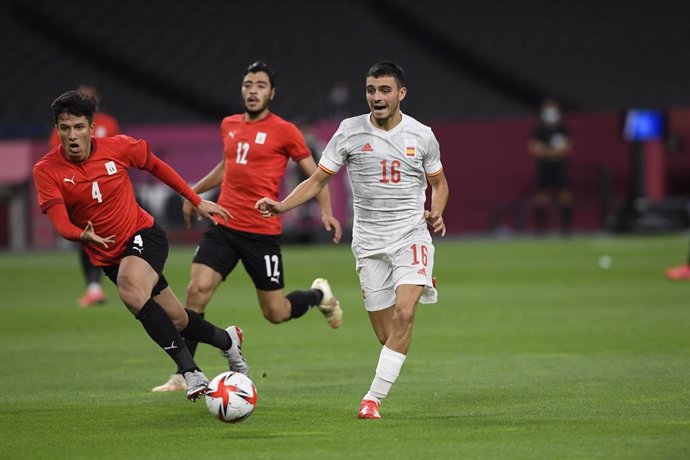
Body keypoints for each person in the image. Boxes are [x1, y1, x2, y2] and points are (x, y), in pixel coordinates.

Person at [256, 61, 449, 419]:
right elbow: (316, 180)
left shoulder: (422, 135)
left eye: (385, 90)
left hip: (410, 235)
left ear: (401, 94)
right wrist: (282, 206)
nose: (377, 97)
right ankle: (418, 280)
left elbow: (439, 184)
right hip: (369, 243)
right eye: (371, 90)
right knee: (387, 334)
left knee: (406, 314)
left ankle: (371, 399)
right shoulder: (349, 132)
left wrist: (436, 210)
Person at [33, 90, 248, 401]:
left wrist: (195, 199)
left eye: (79, 127)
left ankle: (191, 372)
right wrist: (81, 235)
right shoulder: (46, 170)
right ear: (57, 131)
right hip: (110, 256)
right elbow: (61, 222)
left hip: (144, 235)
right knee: (178, 319)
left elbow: (157, 167)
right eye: (64, 128)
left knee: (130, 289)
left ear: (92, 128)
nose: (72, 135)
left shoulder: (119, 147)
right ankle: (227, 341)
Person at [152, 61, 343, 393]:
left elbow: (317, 175)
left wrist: (326, 210)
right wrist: (193, 192)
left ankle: (318, 295)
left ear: (272, 92)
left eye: (260, 85)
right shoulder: (229, 124)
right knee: (196, 292)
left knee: (276, 312)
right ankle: (185, 373)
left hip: (262, 233)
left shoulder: (285, 130)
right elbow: (228, 167)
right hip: (224, 224)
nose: (253, 91)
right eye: (248, 84)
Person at [48, 84, 121, 308]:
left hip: (105, 192)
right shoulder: (99, 123)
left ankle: (117, 284)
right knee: (86, 239)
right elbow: (56, 157)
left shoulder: (107, 123)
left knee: (109, 237)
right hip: (81, 191)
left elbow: (116, 153)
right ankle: (95, 287)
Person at [528, 99, 573, 234]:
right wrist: (553, 152)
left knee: (564, 196)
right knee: (541, 197)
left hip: (560, 167)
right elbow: (535, 149)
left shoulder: (563, 129)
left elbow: (566, 149)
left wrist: (547, 151)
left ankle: (566, 229)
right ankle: (541, 229)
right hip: (544, 167)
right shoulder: (538, 130)